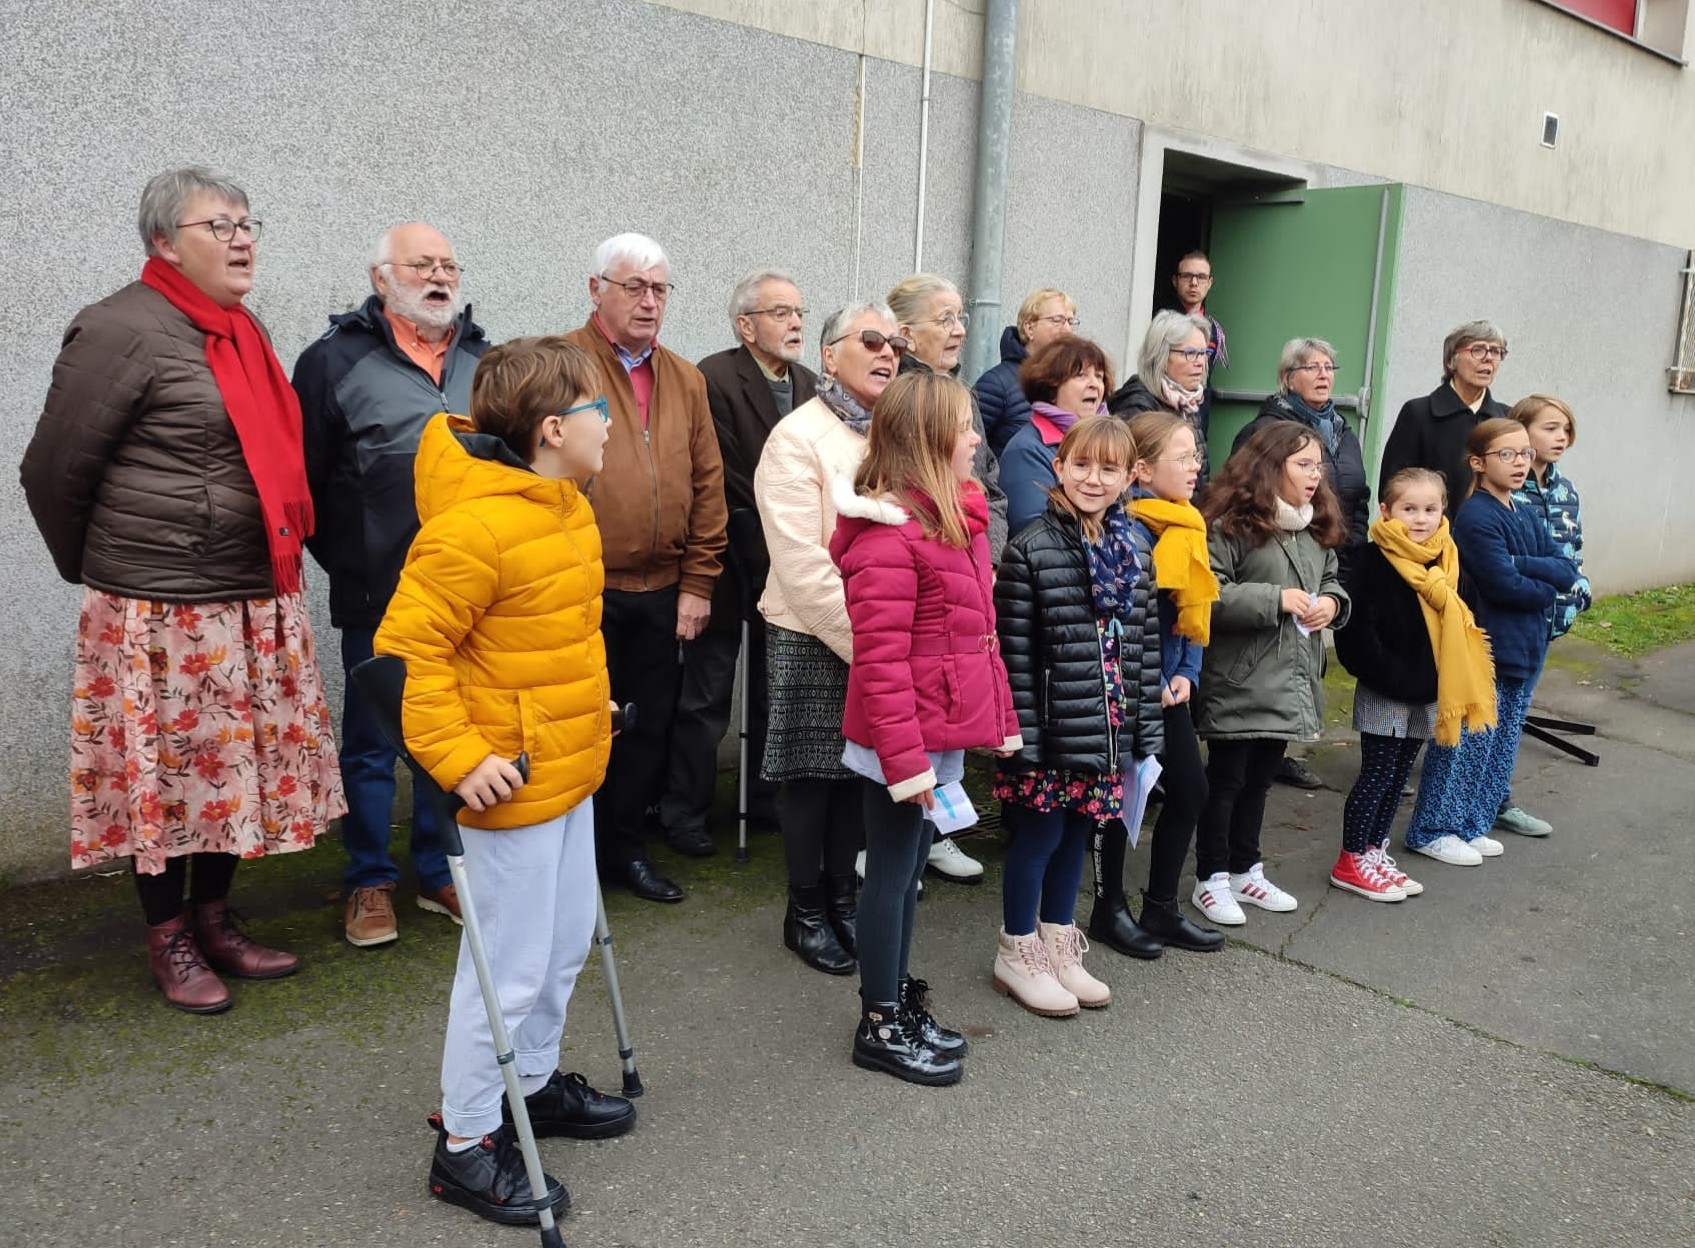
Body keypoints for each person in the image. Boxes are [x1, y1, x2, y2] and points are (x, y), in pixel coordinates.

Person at [20, 167, 345, 1014]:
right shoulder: (118, 328)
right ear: (165, 242)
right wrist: (106, 574)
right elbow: (52, 471)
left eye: (249, 224)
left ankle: (214, 920)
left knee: (234, 771)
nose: (243, 240)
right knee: (161, 778)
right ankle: (167, 935)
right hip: (159, 607)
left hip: (249, 591)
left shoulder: (239, 328)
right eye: (220, 226)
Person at [375, 336, 636, 1228]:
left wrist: (588, 711)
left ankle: (528, 1085)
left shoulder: (564, 505)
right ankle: (465, 1144)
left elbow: (555, 639)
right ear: (556, 429)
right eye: (601, 409)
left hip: (568, 770)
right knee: (508, 970)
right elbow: (406, 657)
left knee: (562, 947)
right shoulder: (472, 528)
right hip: (507, 786)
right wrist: (457, 758)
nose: (612, 422)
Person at [294, 221, 488, 947]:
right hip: (381, 593)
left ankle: (439, 872)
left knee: (453, 737)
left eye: (448, 264)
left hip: (471, 596)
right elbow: (305, 485)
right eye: (421, 264)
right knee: (373, 742)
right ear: (382, 278)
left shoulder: (483, 359)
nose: (439, 276)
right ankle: (368, 881)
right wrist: (355, 561)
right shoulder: (331, 361)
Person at [831, 371, 1020, 1085]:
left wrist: (997, 721)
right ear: (929, 439)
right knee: (890, 875)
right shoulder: (889, 539)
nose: (976, 439)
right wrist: (906, 764)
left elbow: (979, 638)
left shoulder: (955, 520)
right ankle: (879, 1019)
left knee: (909, 867)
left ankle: (897, 994)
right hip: (899, 740)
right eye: (965, 428)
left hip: (931, 732)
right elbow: (880, 666)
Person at [565, 233, 728, 902]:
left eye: (659, 288)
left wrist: (697, 583)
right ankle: (573, 865)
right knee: (578, 729)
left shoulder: (685, 378)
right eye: (633, 286)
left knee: (647, 726)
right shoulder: (562, 364)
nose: (648, 300)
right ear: (595, 288)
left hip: (662, 591)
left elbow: (709, 483)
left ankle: (626, 851)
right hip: (582, 588)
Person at [992, 416, 1162, 1016]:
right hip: (1050, 726)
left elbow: (1143, 647)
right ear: (1058, 468)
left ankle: (1059, 944)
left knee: (1078, 833)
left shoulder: (1136, 547)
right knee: (1039, 833)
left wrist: (1145, 730)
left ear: (1130, 477)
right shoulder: (1030, 547)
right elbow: (1015, 654)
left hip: (1108, 725)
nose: (1094, 478)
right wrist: (1022, 738)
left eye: (1109, 468)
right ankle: (1017, 949)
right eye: (1081, 465)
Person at [753, 302, 901, 975]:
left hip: (877, 629)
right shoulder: (795, 436)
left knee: (856, 776)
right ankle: (805, 911)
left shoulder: (894, 432)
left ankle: (843, 900)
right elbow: (802, 564)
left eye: (895, 342)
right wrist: (868, 641)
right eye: (871, 339)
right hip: (815, 630)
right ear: (830, 352)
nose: (887, 351)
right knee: (811, 779)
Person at [653, 270, 819, 858]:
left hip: (789, 563)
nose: (796, 322)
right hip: (727, 558)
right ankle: (685, 811)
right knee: (707, 692)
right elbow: (720, 475)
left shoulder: (808, 382)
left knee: (776, 690)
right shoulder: (714, 376)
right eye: (781, 312)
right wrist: (772, 537)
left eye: (798, 310)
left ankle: (766, 796)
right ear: (745, 324)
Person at [1190, 421, 1350, 924]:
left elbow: (1332, 582)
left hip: (1289, 679)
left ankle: (1246, 869)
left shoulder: (1314, 524)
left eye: (1318, 466)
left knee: (1260, 780)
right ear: (1270, 465)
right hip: (1239, 680)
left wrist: (1331, 603)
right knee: (1227, 780)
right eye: (1303, 465)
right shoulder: (1230, 523)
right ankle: (1210, 879)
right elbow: (1207, 594)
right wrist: (1274, 600)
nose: (1314, 475)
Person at [1401, 419, 1578, 865]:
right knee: (1468, 742)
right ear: (1479, 462)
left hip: (1525, 645)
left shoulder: (1525, 510)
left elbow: (1564, 565)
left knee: (1501, 744)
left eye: (1524, 454)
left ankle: (1472, 823)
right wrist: (1542, 586)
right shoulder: (1477, 515)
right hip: (1489, 646)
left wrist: (1528, 568)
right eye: (1507, 454)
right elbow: (1504, 585)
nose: (1520, 463)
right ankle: (1433, 828)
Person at [886, 272, 1010, 884]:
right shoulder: (902, 397)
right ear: (905, 333)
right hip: (927, 567)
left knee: (955, 713)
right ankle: (896, 842)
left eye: (961, 315)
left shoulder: (958, 393)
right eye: (944, 318)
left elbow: (990, 489)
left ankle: (937, 833)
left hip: (969, 561)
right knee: (919, 714)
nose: (959, 328)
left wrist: (985, 557)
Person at [1331, 468, 1496, 900]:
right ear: (1386, 511)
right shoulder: (1372, 561)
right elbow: (1355, 634)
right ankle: (1350, 858)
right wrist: (1393, 674)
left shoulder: (1449, 558)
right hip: (1387, 689)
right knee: (1378, 774)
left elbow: (1469, 614)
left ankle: (1373, 849)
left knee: (1402, 774)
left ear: (1444, 510)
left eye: (1430, 509)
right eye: (1408, 509)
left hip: (1428, 692)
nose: (1420, 519)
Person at [1230, 337, 1371, 792]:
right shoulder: (1267, 431)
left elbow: (1358, 496)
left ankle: (1281, 746)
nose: (1325, 375)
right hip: (1276, 564)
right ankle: (1273, 752)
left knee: (1308, 654)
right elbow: (1242, 496)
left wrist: (1349, 552)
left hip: (1327, 552)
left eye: (1330, 366)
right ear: (1288, 377)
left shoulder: (1341, 431)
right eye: (1312, 367)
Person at [1120, 412, 1226, 953]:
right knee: (1122, 799)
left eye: (1195, 456)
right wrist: (1157, 676)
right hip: (1134, 687)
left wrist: (1185, 673)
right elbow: (1131, 620)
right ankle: (1109, 908)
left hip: (1171, 687)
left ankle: (1160, 906)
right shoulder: (1130, 529)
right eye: (1181, 458)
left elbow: (1195, 609)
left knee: (1190, 790)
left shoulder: (1187, 524)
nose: (1194, 467)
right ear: (1141, 470)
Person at [1376, 320, 1510, 513]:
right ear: (1451, 360)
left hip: (1491, 536)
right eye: (1478, 350)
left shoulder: (1506, 418)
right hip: (1430, 535)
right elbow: (1394, 487)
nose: (1488, 358)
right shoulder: (1419, 412)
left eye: (1496, 351)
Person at [999, 335, 1113, 537]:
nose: (1094, 384)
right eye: (1081, 375)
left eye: (1099, 376)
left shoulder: (1112, 443)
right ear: (1051, 388)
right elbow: (1035, 532)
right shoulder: (1027, 450)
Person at [1107, 310, 1215, 486]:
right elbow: (1132, 482)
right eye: (1190, 353)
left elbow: (1200, 479)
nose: (1200, 362)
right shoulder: (1136, 407)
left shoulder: (1189, 402)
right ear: (1161, 357)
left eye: (1204, 353)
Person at [973, 287, 1078, 455]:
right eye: (1057, 320)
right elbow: (972, 451)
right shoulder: (996, 384)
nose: (1067, 330)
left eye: (1071, 322)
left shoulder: (1071, 384)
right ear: (1029, 328)